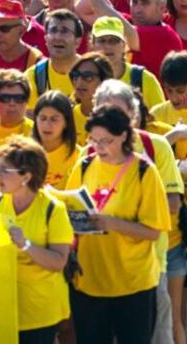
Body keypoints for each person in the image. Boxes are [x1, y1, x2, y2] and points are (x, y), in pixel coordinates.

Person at [67, 104, 170, 343]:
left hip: (133, 284)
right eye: (94, 140)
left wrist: (111, 223)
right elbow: (69, 211)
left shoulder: (144, 171)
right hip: (89, 281)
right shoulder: (84, 166)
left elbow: (154, 231)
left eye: (106, 141)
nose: (98, 147)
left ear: (124, 136)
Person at [0, 136, 74, 343]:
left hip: (39, 312)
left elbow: (58, 261)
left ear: (26, 176)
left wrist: (25, 244)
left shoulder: (53, 209)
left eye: (3, 170)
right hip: (0, 307)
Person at [0, 69, 34, 152]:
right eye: (5, 98)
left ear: (27, 101)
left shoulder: (38, 133)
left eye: (19, 98)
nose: (12, 103)